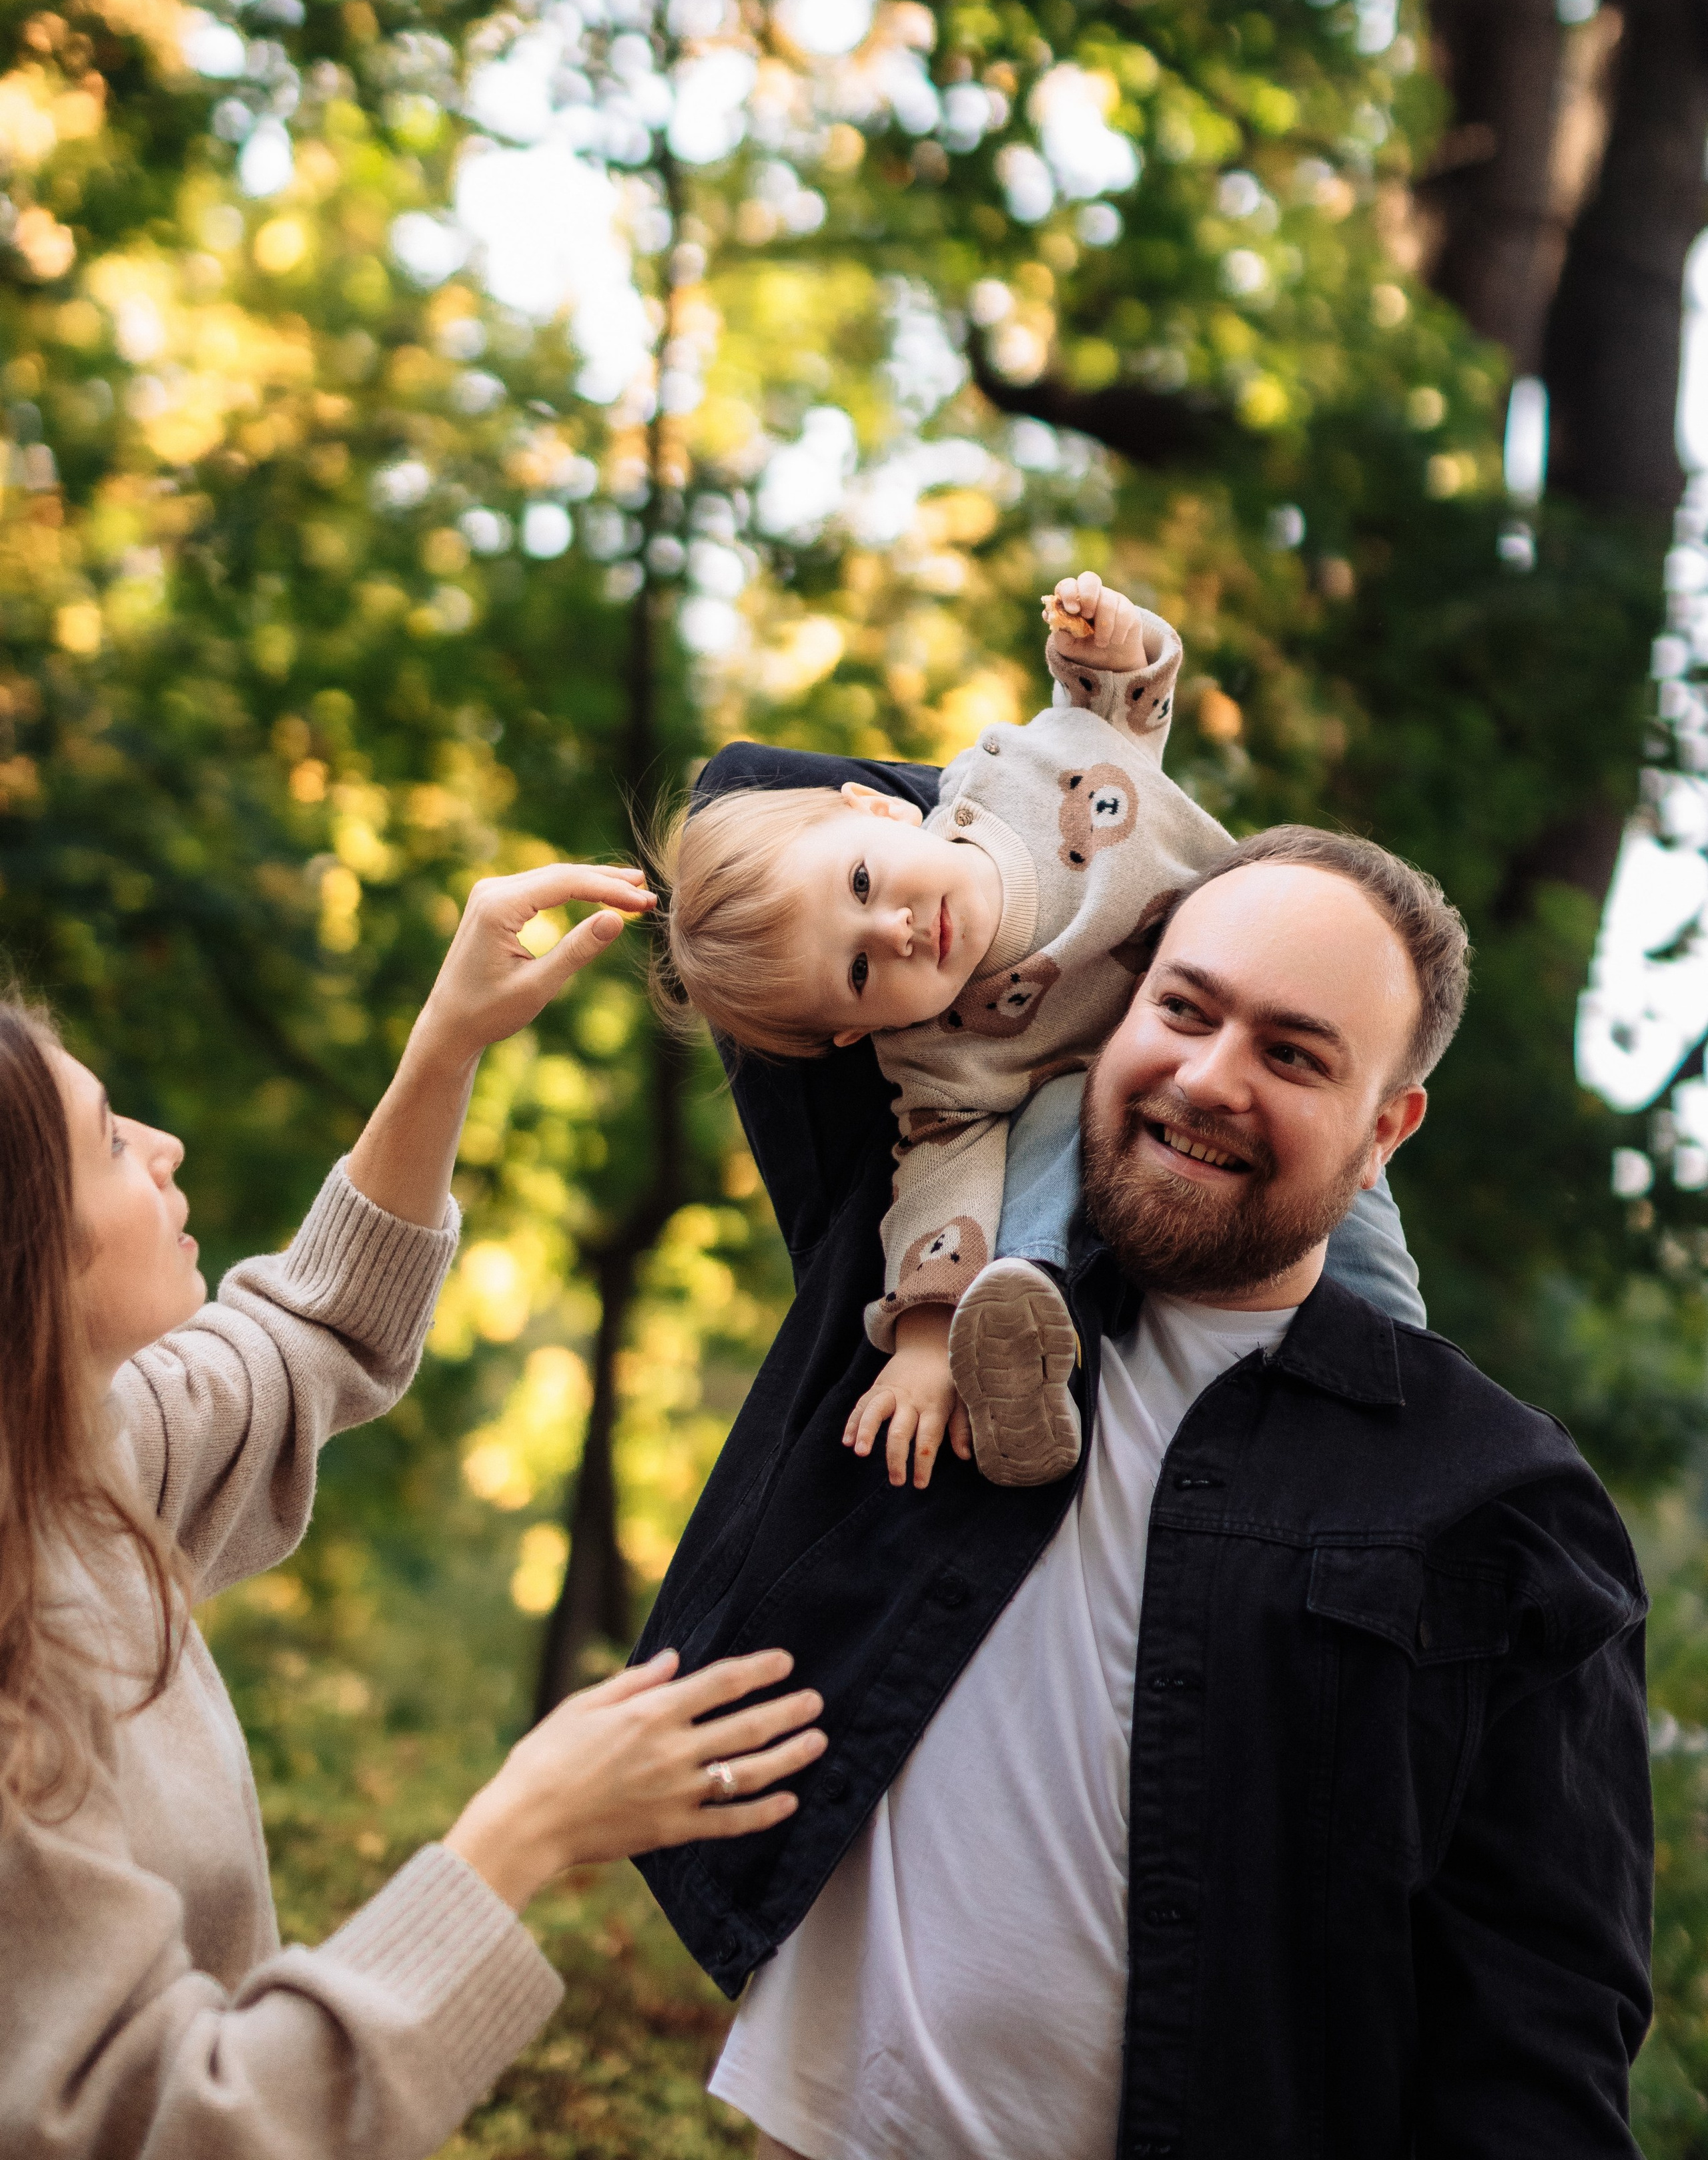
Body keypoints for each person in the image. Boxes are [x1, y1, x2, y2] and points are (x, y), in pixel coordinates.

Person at [635, 813, 1653, 2160]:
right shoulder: (917, 1270)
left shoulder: (1500, 1501)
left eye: (1293, 1054)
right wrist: (1057, 866)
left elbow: (1539, 2022)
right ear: (1113, 1001)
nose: (1210, 1078)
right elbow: (752, 793)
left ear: (1381, 1132)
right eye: (1183, 1007)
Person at [0, 857, 829, 2160]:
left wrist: (450, 1041)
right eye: (108, 1143)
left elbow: (305, 1337)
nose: (163, 1148)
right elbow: (193, 2129)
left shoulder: (70, 1470)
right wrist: (524, 1829)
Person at [658, 572, 1242, 1491]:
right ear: (854, 1036)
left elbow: (1114, 723)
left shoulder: (1008, 774)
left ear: (880, 806)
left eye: (860, 884)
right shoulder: (939, 1062)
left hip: (1268, 967)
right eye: (857, 973)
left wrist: (1112, 649)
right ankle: (1017, 1324)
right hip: (1188, 1104)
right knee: (1056, 1122)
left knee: (1375, 1281)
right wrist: (927, 1340)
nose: (891, 931)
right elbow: (938, 1188)